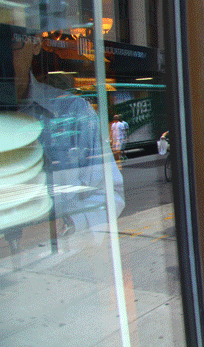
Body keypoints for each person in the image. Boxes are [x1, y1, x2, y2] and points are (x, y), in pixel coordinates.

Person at [1, 24, 125, 246]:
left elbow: (110, 195)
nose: (2, 54)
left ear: (36, 43)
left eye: (11, 41)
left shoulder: (73, 112)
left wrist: (63, 226)